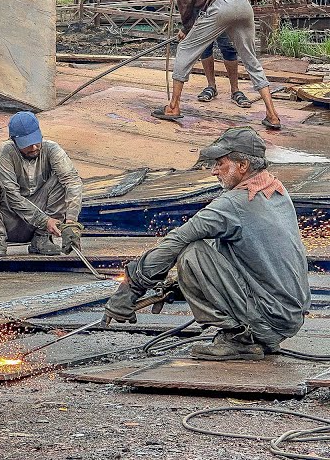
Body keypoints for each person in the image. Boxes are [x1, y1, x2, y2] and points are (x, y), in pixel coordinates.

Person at [104, 127, 309, 361]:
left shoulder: (233, 204)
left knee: (191, 253)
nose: (214, 172)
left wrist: (132, 287)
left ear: (242, 165)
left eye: (220, 164)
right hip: (289, 317)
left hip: (269, 319)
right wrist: (179, 284)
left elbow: (178, 239)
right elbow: (251, 260)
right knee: (211, 248)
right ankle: (253, 336)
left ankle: (240, 339)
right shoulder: (276, 190)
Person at [151, 0, 282, 130]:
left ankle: (173, 107)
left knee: (185, 49)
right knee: (251, 60)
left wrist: (187, 28)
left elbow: (185, 1)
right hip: (241, 1)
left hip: (220, 6)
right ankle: (272, 115)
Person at [0, 112, 84, 259]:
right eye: (27, 144)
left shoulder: (52, 149)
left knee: (64, 178)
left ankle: (41, 238)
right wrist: (45, 221)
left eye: (36, 141)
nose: (34, 147)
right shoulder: (5, 151)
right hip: (10, 221)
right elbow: (12, 196)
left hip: (42, 226)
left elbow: (73, 182)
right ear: (14, 141)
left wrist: (71, 222)